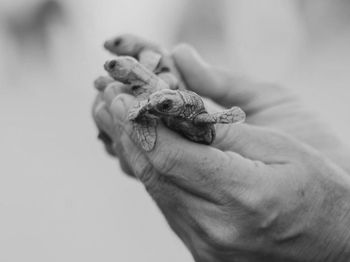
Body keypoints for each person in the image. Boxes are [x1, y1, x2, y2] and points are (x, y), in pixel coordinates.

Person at [92, 42, 350, 261]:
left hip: (191, 116)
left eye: (115, 65)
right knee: (129, 110)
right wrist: (341, 173)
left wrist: (339, 239)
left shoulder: (187, 109)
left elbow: (219, 116)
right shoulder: (154, 93)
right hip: (172, 107)